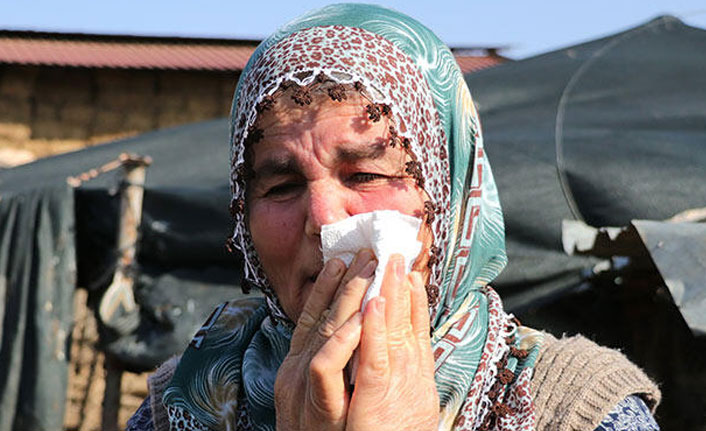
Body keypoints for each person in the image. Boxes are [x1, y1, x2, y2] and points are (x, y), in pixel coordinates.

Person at [127, 4, 661, 431]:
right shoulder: (183, 406)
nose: (323, 217)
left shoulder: (574, 410)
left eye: (366, 176)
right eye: (282, 186)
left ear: (450, 200)